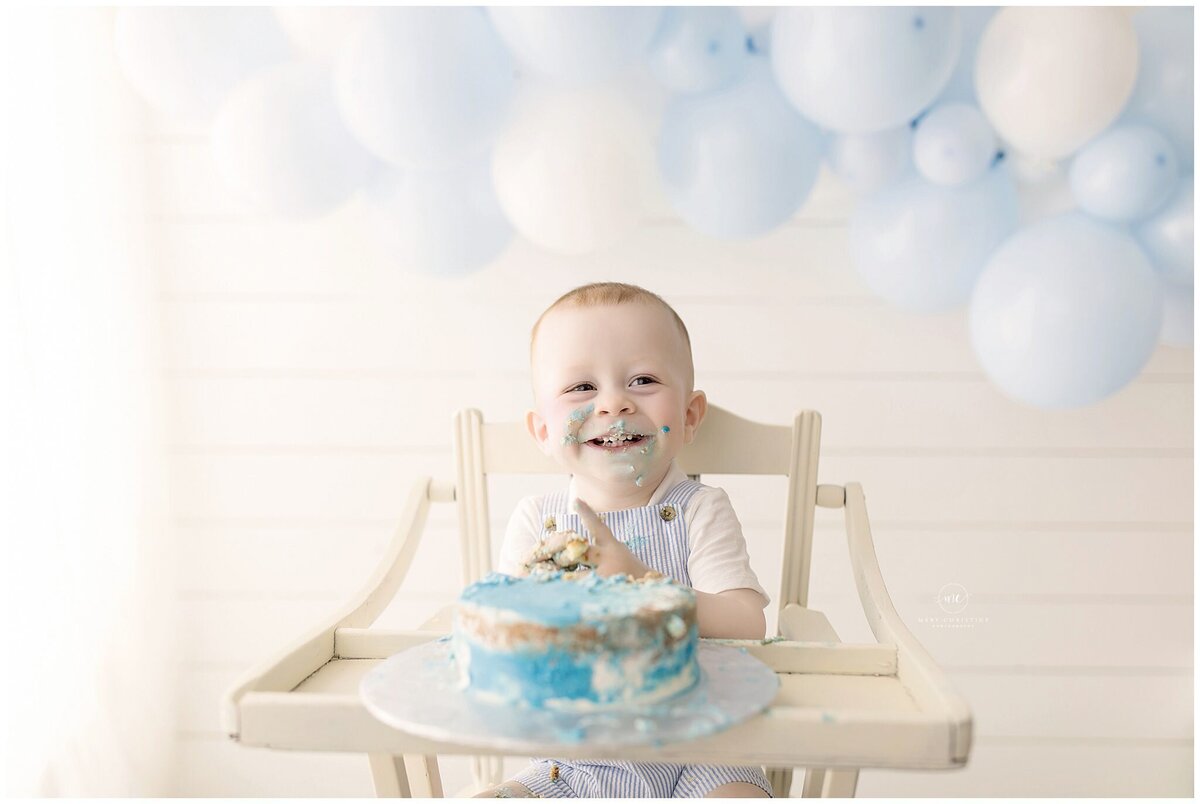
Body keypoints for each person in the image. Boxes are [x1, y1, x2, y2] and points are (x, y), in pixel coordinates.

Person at [474, 282, 773, 799]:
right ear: (543, 430)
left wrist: (642, 584)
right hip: (570, 762)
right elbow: (511, 639)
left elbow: (747, 621)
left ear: (688, 416)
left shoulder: (699, 509)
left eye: (643, 380)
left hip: (704, 751)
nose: (613, 402)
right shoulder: (540, 523)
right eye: (580, 388)